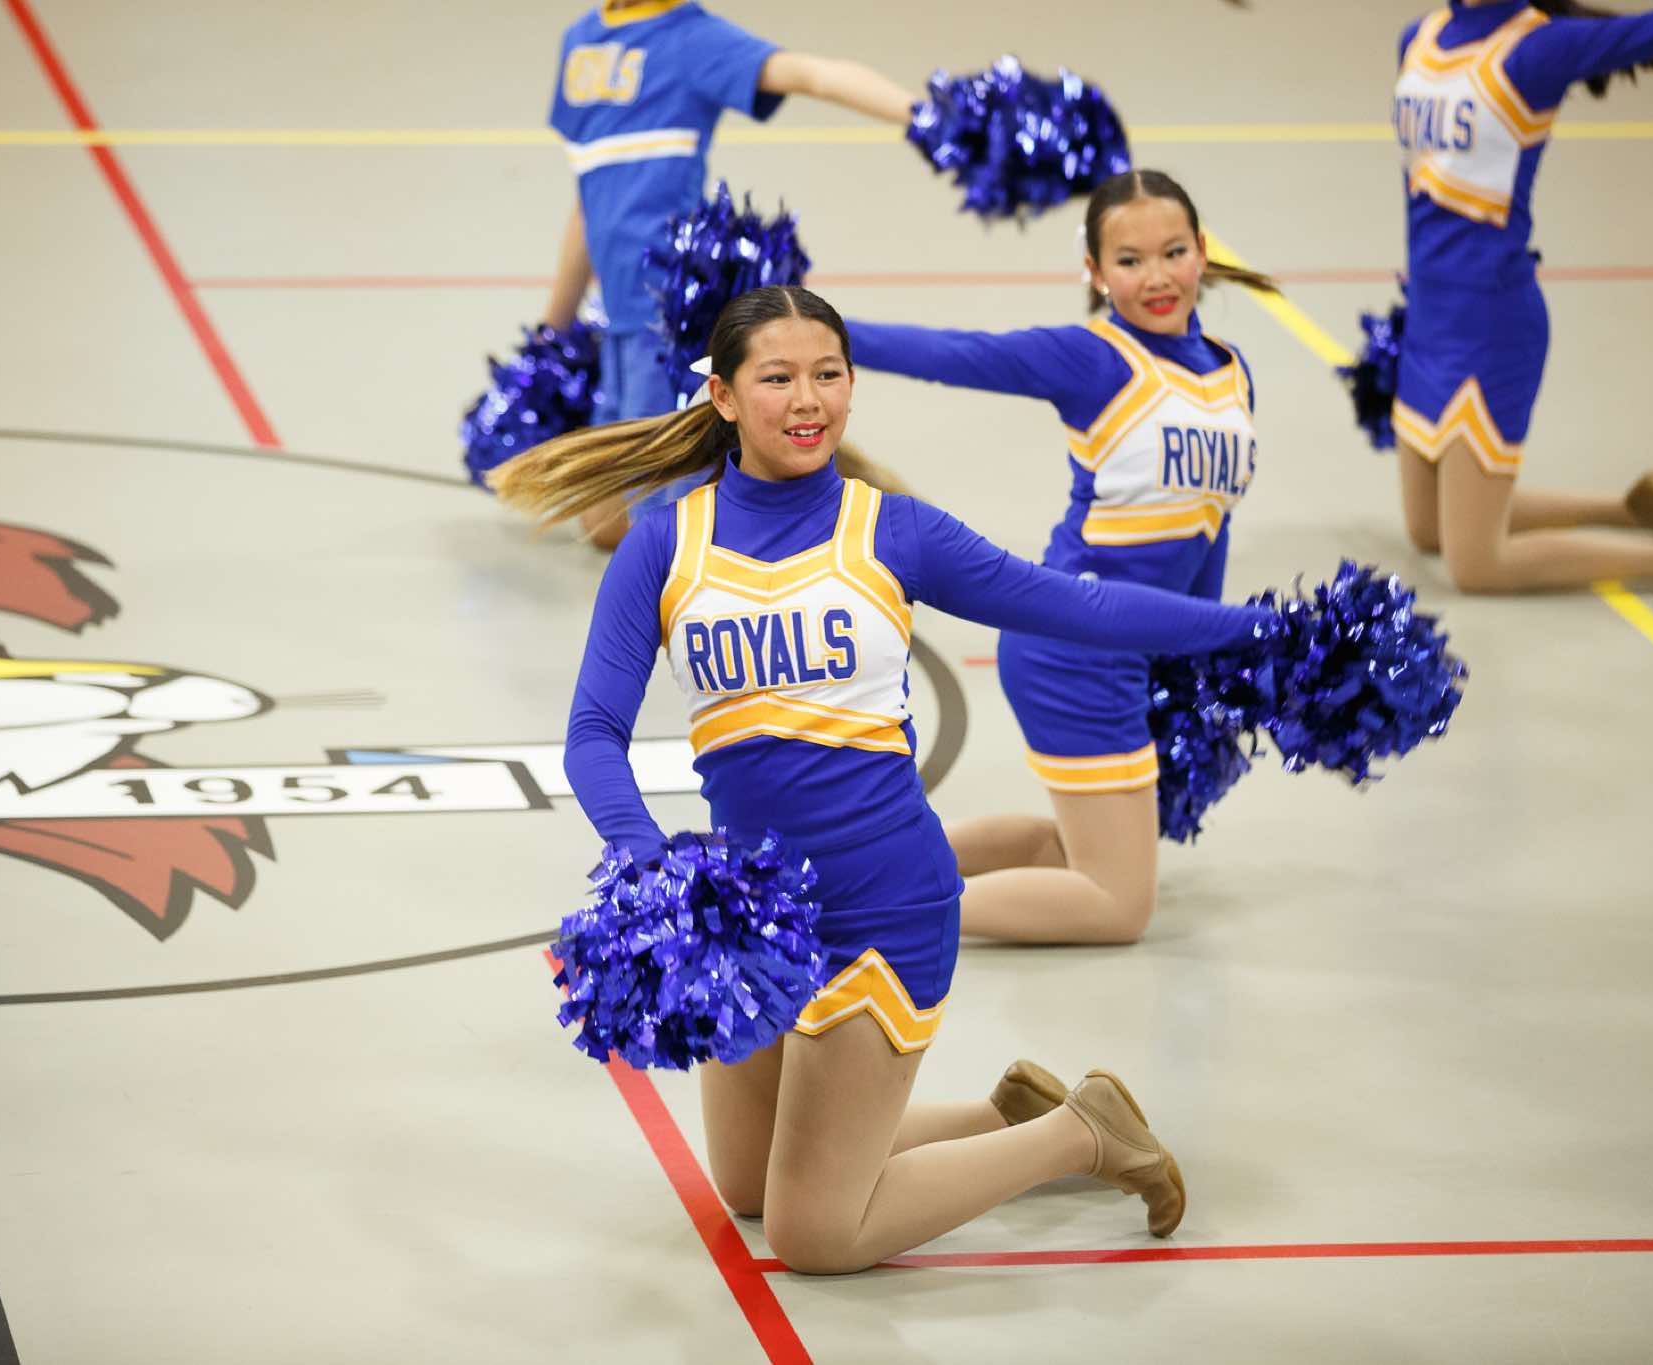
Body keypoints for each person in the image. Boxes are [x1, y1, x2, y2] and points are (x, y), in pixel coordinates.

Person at [498, 285, 1281, 1272]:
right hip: (752, 915)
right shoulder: (666, 543)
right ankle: (1004, 1115)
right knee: (746, 1186)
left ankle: (1079, 1134)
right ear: (723, 396)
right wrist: (648, 860)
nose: (807, 399)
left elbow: (1078, 607)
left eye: (827, 374)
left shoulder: (893, 531)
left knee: (814, 1234)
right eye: (777, 378)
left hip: (884, 903)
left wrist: (1262, 630)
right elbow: (592, 733)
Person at [840, 169, 1278, 944]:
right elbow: (955, 354)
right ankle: (867, 915)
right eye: (1130, 260)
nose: (1157, 276)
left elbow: (1211, 527)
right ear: (1095, 271)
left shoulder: (1230, 370)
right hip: (1073, 644)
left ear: (1203, 251)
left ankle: (867, 874)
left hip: (1132, 647)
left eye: (1174, 252)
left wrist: (1199, 659)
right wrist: (822, 333)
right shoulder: (1092, 358)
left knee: (1074, 853)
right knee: (1118, 906)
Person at [1390, 0, 1653, 591]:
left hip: (1489, 323)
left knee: (1477, 567)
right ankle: (1632, 509)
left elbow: (1648, 32)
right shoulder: (1418, 38)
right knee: (1428, 530)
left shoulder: (1534, 50)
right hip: (1428, 318)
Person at [545, 0, 917, 548]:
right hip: (618, 317)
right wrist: (553, 329)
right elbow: (588, 200)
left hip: (666, 317)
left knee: (664, 527)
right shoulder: (582, 41)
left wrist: (927, 114)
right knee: (602, 524)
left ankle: (800, 528)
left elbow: (812, 74)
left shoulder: (690, 37)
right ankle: (810, 496)